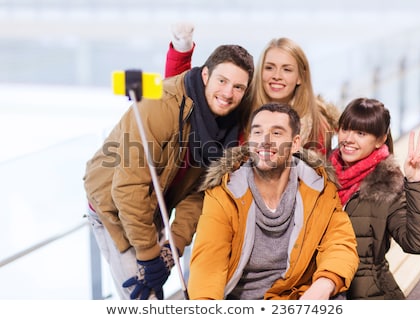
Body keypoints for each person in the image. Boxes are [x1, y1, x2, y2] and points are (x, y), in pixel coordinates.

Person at [83, 44, 254, 300]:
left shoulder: (226, 128)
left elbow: (197, 194)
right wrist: (149, 255)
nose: (228, 93)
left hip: (152, 210)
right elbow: (128, 188)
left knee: (155, 292)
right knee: (143, 299)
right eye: (222, 80)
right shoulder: (160, 105)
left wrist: (172, 246)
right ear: (206, 75)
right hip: (114, 208)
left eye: (238, 87)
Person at [187, 102, 359, 300]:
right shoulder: (225, 194)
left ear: (295, 144)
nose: (264, 141)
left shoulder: (319, 188)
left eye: (277, 133)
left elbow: (339, 242)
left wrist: (325, 283)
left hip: (299, 296)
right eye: (257, 132)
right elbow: (208, 265)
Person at [165, 23, 340, 155]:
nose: (276, 75)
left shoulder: (317, 125)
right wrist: (181, 51)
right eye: (269, 67)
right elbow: (188, 96)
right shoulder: (240, 107)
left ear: (300, 76)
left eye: (287, 69)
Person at [329, 97, 420, 299]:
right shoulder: (322, 174)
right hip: (320, 290)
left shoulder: (387, 186)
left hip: (368, 294)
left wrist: (415, 184)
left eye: (361, 133)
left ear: (380, 139)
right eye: (345, 129)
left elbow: (419, 244)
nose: (348, 139)